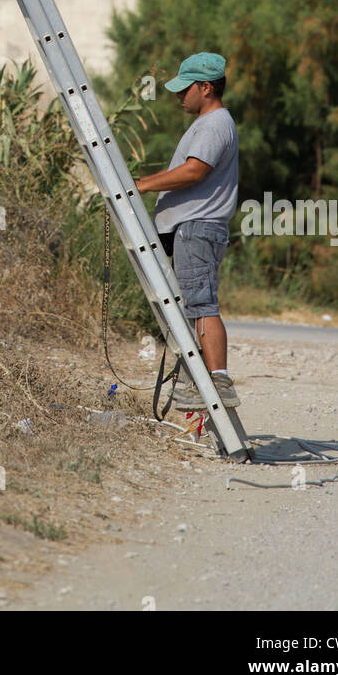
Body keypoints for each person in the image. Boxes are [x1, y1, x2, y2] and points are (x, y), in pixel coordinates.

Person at [134, 51, 240, 409]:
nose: (179, 96)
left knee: (202, 305)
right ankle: (204, 381)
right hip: (192, 230)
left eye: (185, 89)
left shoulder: (213, 125)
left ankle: (219, 384)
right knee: (196, 305)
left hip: (197, 229)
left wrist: (143, 185)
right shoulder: (209, 124)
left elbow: (195, 171)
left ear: (206, 88)